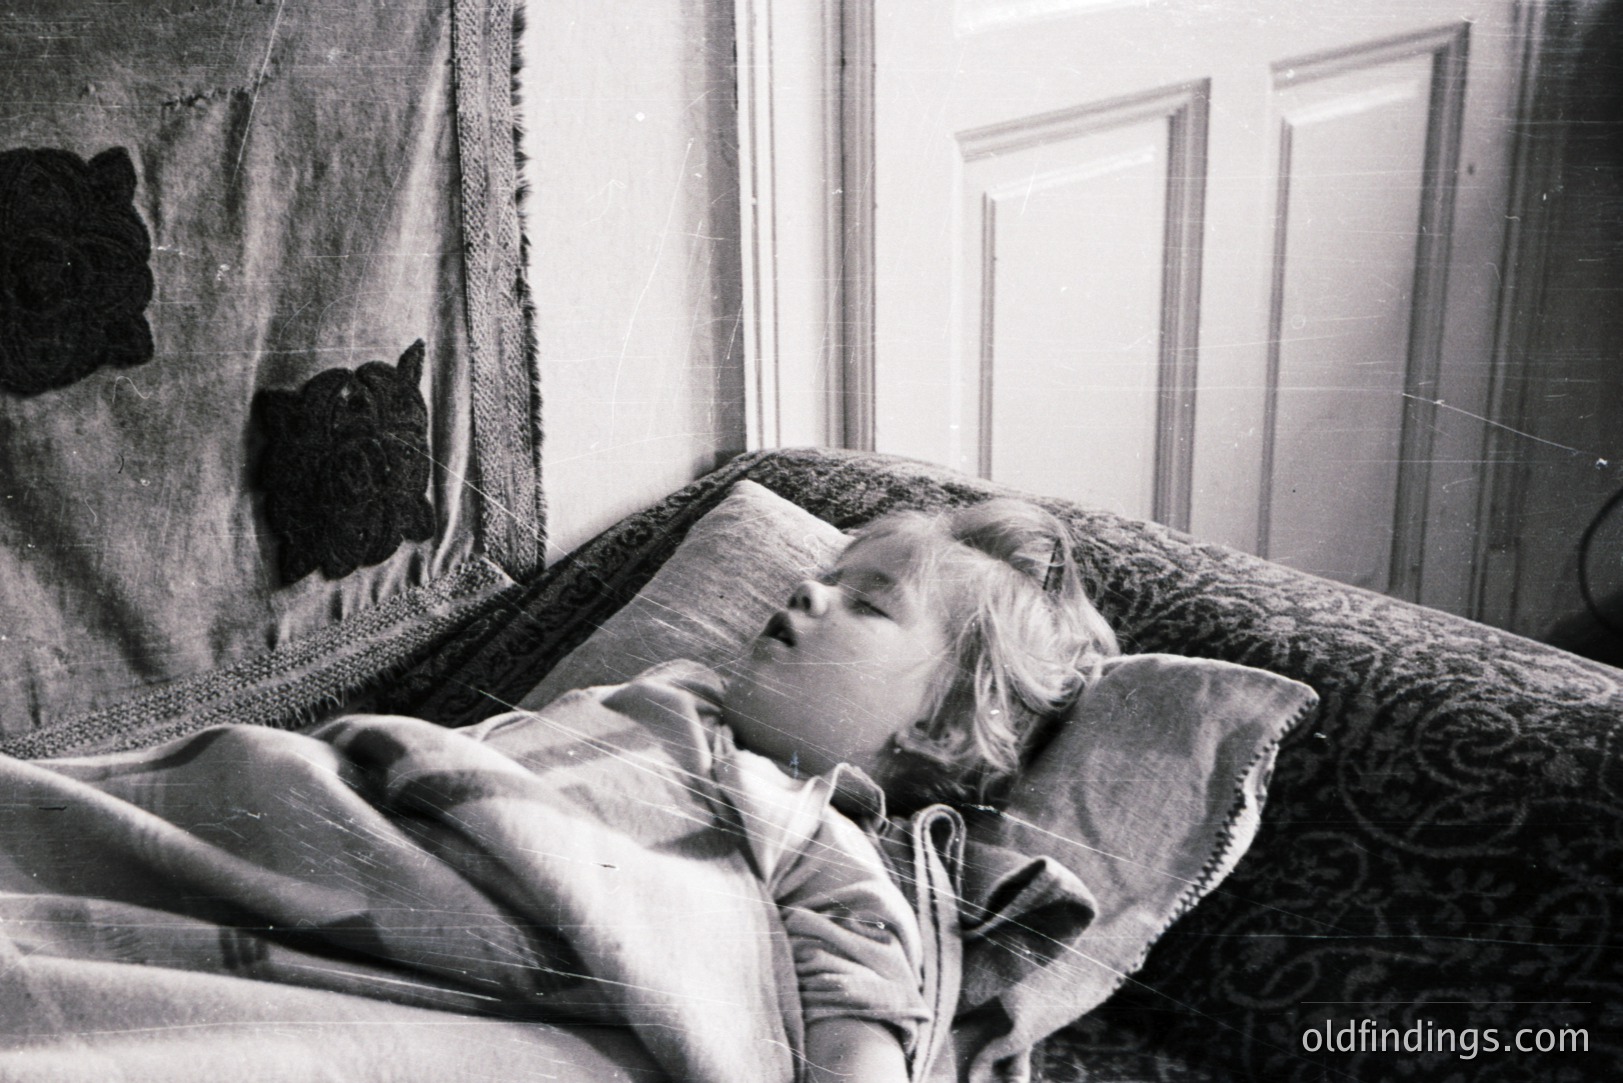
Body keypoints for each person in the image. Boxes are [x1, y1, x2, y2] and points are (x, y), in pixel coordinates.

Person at [607, 496, 1120, 1081]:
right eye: (829, 579)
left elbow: (859, 1047)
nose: (807, 589)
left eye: (869, 605)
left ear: (938, 731)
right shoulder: (676, 692)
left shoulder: (824, 843)